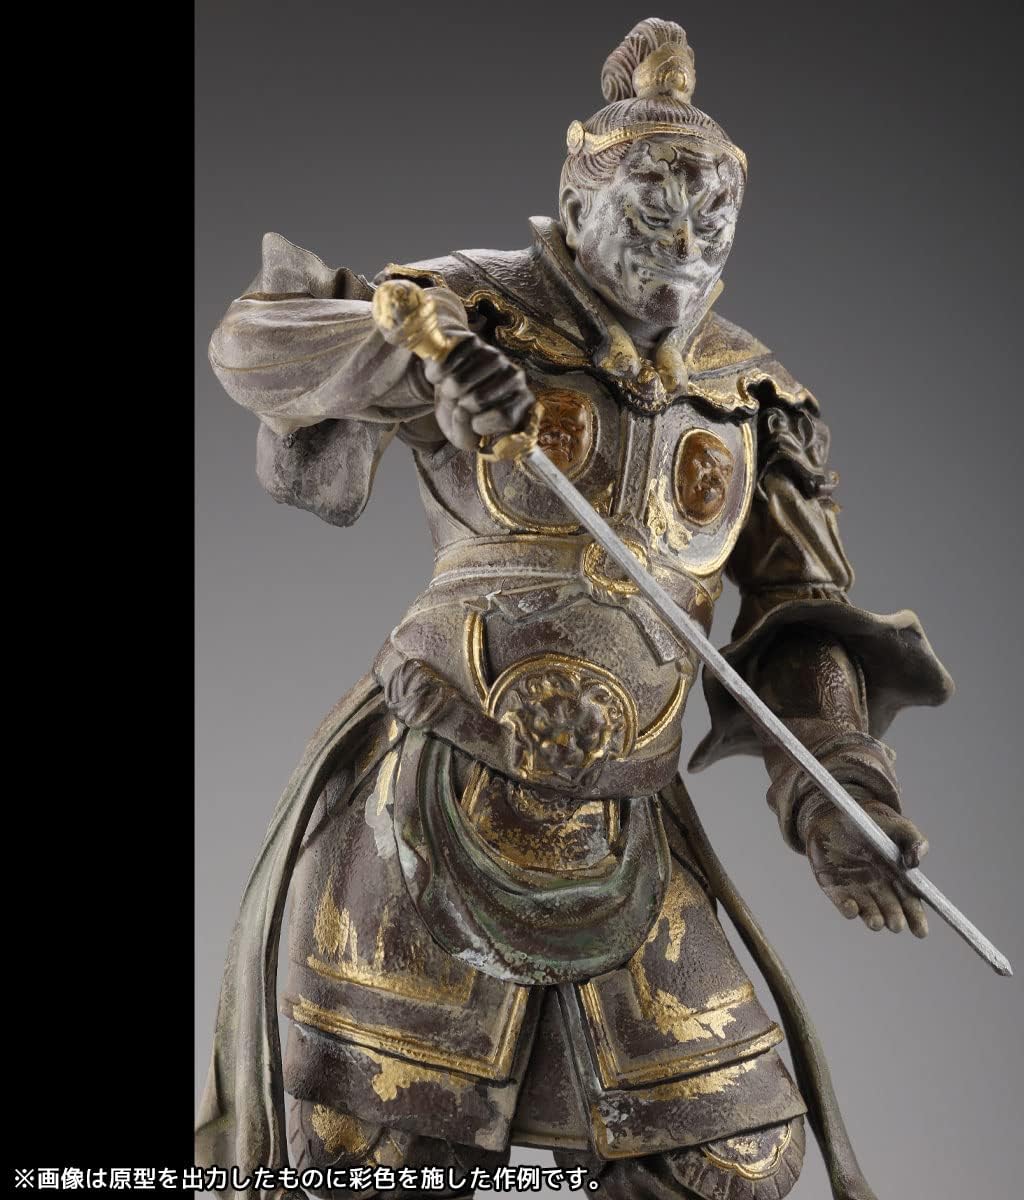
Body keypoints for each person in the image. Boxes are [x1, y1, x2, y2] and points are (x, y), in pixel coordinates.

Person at [196, 18, 954, 1200]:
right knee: (377, 1159)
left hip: (626, 825)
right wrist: (422, 366)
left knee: (731, 1160)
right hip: (432, 802)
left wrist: (839, 798)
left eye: (714, 214)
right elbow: (256, 340)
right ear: (578, 197)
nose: (687, 240)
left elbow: (801, 617)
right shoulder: (474, 308)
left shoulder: (750, 394)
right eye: (655, 207)